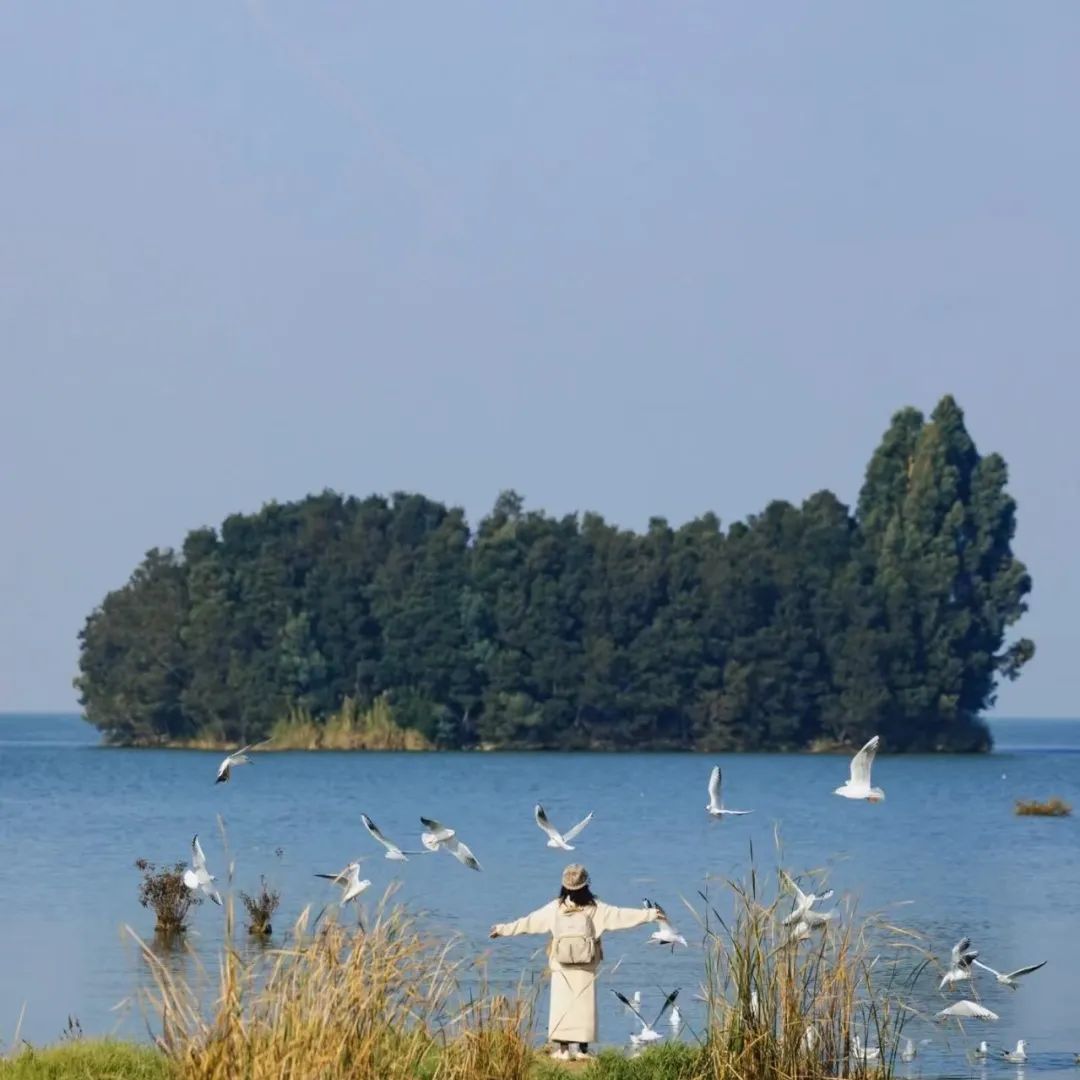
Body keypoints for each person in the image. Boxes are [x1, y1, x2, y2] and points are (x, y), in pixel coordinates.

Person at [489, 863, 665, 1061]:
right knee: (584, 1007)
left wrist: (502, 929)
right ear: (586, 885)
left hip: (561, 965)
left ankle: (563, 1050)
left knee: (561, 1006)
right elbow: (622, 916)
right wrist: (650, 914)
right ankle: (582, 1050)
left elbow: (529, 922)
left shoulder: (555, 907)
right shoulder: (596, 908)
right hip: (586, 965)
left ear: (564, 886)